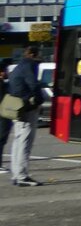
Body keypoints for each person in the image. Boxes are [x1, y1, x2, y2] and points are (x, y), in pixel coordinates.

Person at [7, 46, 42, 186]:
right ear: (33, 55)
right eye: (38, 55)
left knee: (17, 140)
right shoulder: (29, 66)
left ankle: (16, 174)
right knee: (25, 141)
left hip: (16, 106)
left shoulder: (18, 66)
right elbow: (33, 84)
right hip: (26, 107)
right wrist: (38, 101)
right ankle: (22, 176)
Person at [0, 64, 11, 174]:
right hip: (3, 115)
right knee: (1, 139)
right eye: (5, 71)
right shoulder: (2, 85)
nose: (7, 73)